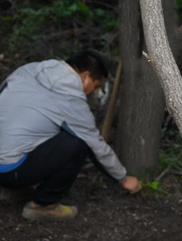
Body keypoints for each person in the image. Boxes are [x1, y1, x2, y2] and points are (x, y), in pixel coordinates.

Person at [0, 49, 140, 221]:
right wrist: (123, 178)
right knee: (77, 143)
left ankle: (10, 188)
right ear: (85, 76)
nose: (90, 93)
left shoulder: (29, 70)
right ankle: (44, 206)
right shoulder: (70, 97)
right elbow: (95, 144)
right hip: (9, 171)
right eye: (95, 86)